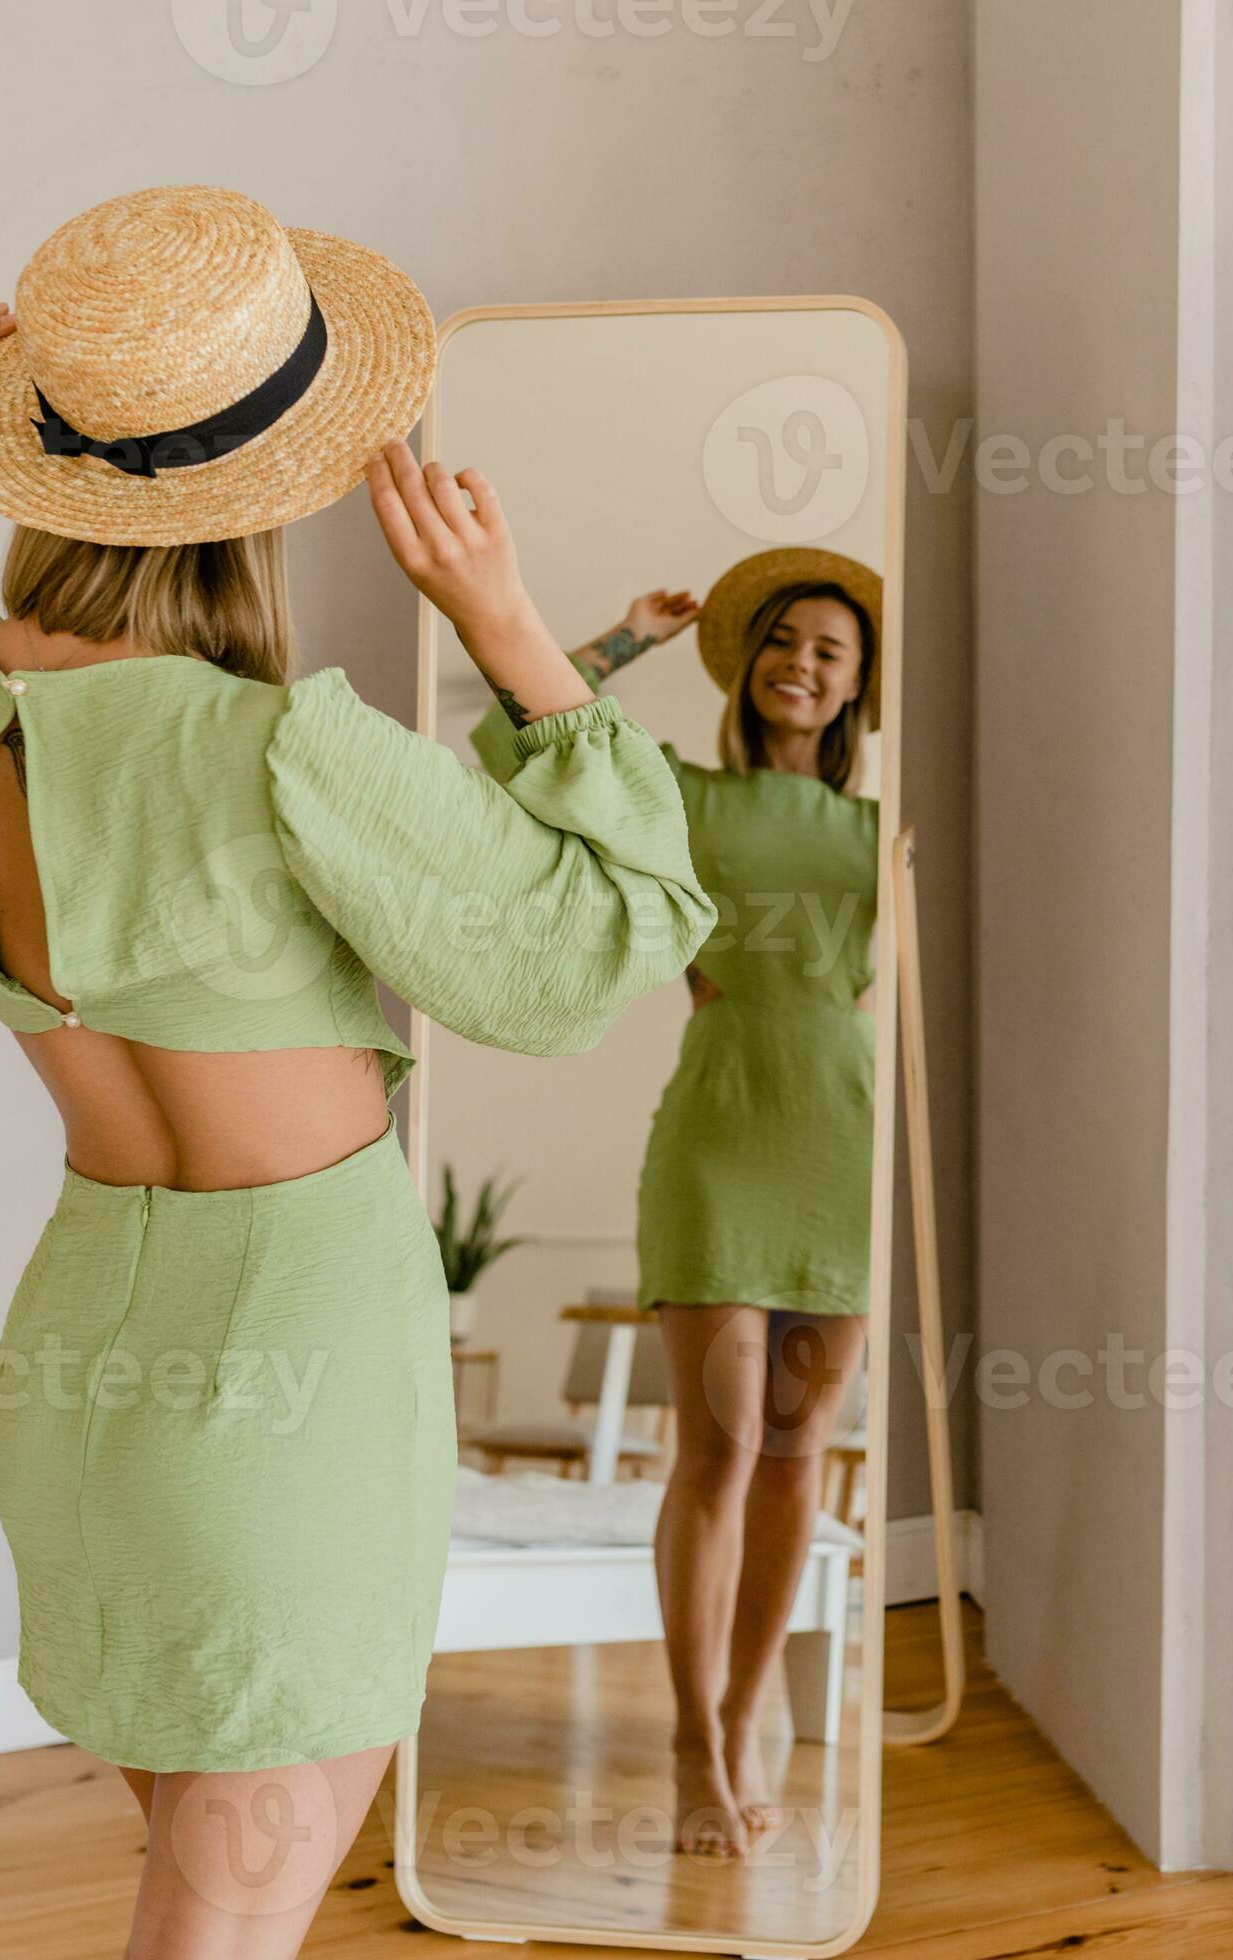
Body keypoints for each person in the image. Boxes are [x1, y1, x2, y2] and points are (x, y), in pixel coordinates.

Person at [0, 186, 711, 1958]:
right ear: (280, 486)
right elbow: (609, 945)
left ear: (38, 460)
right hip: (293, 1371)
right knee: (221, 1931)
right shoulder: (288, 746)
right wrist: (512, 627)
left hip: (82, 1365)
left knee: (208, 1900)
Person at [478, 552, 881, 1857]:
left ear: (859, 685)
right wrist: (621, 639)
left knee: (795, 1456)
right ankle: (693, 1739)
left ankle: (749, 1705)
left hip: (842, 1146)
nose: (802, 663)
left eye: (832, 649)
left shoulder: (892, 829)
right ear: (747, 660)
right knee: (710, 1453)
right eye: (783, 639)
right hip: (720, 1139)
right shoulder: (685, 797)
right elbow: (504, 744)